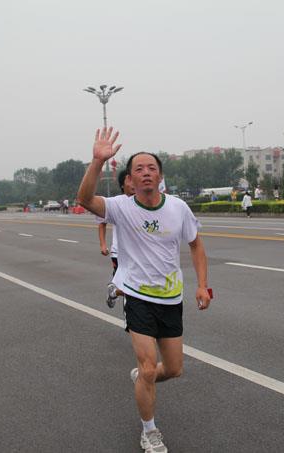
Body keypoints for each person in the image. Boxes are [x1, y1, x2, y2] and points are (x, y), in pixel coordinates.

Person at [78, 127, 211, 453]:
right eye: (139, 169)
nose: (146, 172)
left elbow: (196, 245)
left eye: (152, 168)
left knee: (173, 369)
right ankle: (149, 431)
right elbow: (85, 200)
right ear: (131, 179)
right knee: (150, 368)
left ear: (160, 177)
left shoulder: (178, 208)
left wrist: (202, 286)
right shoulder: (121, 207)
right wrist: (97, 162)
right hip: (138, 296)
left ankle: (143, 376)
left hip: (171, 298)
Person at [97, 169, 135, 308]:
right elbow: (102, 223)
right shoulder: (116, 203)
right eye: (129, 180)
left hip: (140, 254)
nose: (133, 183)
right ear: (122, 185)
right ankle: (118, 295)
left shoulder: (146, 201)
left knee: (136, 286)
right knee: (129, 286)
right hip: (119, 253)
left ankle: (114, 292)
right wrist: (103, 244)